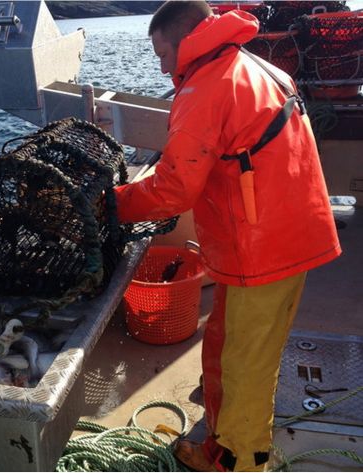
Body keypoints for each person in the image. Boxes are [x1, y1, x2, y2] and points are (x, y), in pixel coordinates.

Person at [114, 1, 341, 471]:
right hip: (285, 234)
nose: (160, 66)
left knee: (247, 365)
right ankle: (222, 441)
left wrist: (111, 203)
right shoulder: (250, 63)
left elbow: (174, 188)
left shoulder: (205, 87)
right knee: (222, 342)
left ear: (185, 39)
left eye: (162, 52)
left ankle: (241, 461)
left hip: (264, 249)